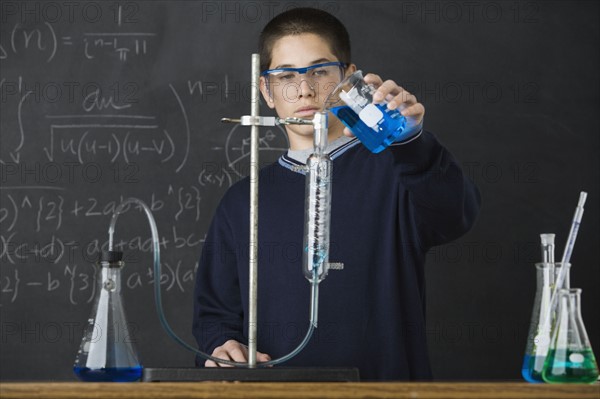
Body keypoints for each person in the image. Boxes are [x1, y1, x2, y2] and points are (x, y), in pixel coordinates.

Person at [193, 8, 481, 381]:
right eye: (285, 76)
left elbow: (456, 215)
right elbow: (215, 317)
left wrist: (413, 143)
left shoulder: (398, 171)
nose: (304, 89)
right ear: (265, 91)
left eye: (320, 71)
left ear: (349, 78)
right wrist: (221, 346)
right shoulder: (243, 201)